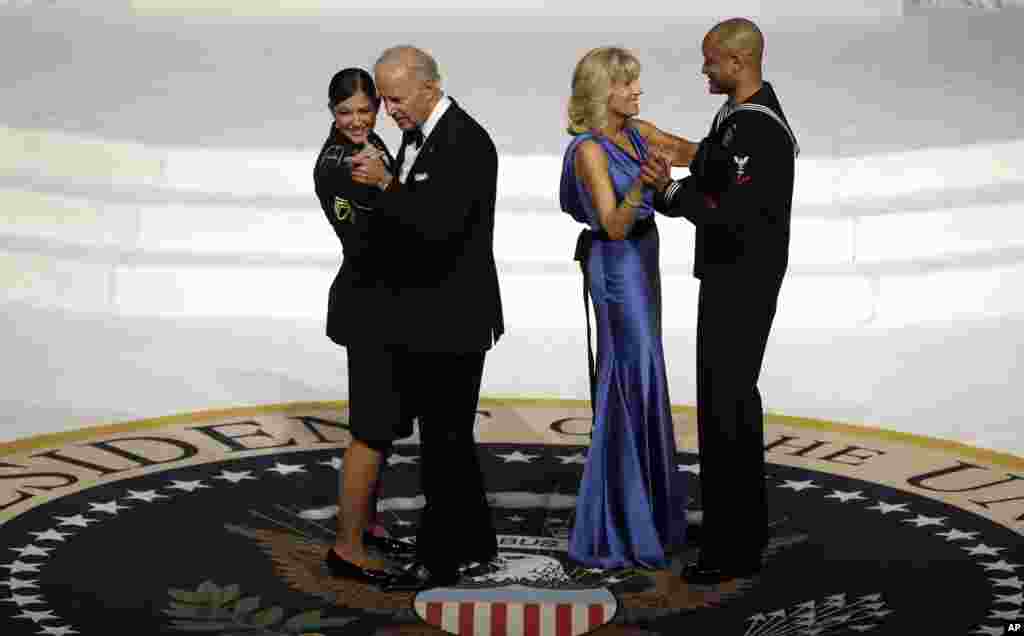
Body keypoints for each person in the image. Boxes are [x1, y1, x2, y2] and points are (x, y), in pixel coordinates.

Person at [640, 18, 799, 584]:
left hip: (744, 279)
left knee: (727, 405)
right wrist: (664, 146)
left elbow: (729, 210)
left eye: (710, 60)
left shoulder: (757, 129)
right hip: (731, 276)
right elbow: (711, 162)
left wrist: (668, 191)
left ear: (738, 62)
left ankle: (735, 548)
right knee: (722, 401)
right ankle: (737, 522)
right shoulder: (736, 117)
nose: (703, 69)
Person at [346, 44, 504, 591]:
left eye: (395, 99)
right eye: (385, 100)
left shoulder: (465, 142)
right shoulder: (422, 135)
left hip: (454, 318)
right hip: (431, 315)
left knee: (442, 444)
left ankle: (436, 561)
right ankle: (477, 541)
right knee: (451, 438)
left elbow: (438, 230)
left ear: (430, 87)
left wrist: (386, 188)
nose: (389, 111)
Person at [559, 46, 698, 571]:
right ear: (603, 92)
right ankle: (618, 523)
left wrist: (745, 137)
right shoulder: (588, 151)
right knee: (628, 377)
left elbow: (692, 150)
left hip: (645, 258)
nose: (637, 91)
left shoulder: (639, 131)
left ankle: (652, 515)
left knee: (646, 373)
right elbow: (612, 225)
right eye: (628, 85)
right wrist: (645, 180)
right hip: (616, 267)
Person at [313, 67, 419, 586]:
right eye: (344, 113)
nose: (356, 121)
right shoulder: (346, 162)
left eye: (363, 110)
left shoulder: (374, 142)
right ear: (330, 114)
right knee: (371, 430)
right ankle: (347, 546)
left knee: (386, 424)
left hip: (383, 301)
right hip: (370, 303)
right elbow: (372, 240)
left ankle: (368, 525)